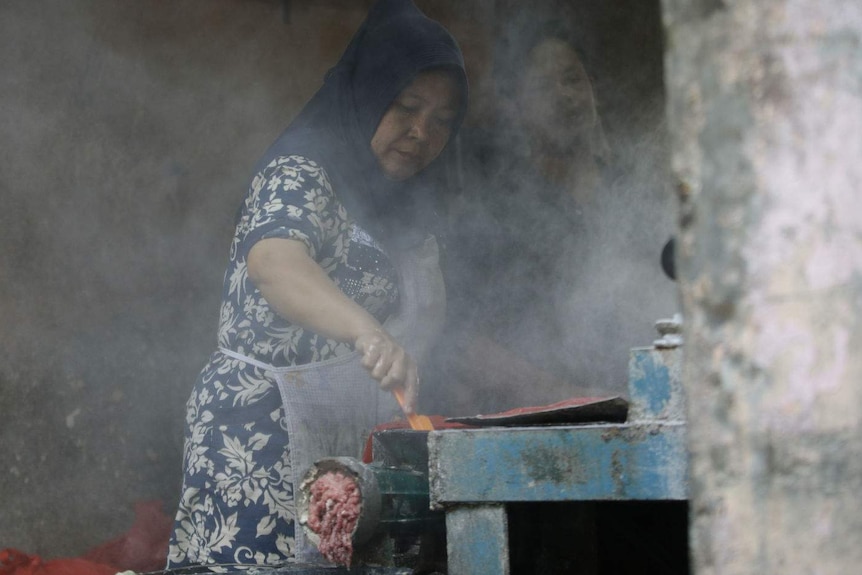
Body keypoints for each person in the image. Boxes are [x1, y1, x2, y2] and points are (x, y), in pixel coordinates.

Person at [166, 0, 467, 567]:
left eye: (443, 120)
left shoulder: (412, 209)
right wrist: (367, 333)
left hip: (343, 451)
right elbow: (276, 263)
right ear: (368, 94)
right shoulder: (301, 171)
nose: (421, 132)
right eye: (406, 107)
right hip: (260, 441)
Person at [427, 17, 672, 416]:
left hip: (643, 415)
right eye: (543, 87)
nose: (566, 96)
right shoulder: (494, 209)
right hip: (536, 430)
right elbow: (463, 343)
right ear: (514, 107)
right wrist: (574, 397)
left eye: (573, 79)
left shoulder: (631, 195)